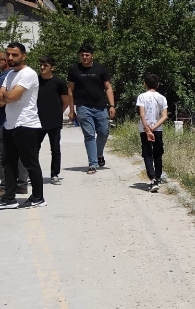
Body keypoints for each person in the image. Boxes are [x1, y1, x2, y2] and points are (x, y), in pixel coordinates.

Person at [0, 42, 45, 209]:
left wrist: (7, 95)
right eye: (8, 54)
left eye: (15, 55)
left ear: (23, 56)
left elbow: (9, 98)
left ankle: (38, 197)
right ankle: (9, 198)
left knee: (29, 162)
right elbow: (2, 99)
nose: (10, 58)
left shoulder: (28, 74)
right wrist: (7, 95)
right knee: (8, 162)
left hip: (26, 124)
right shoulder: (10, 75)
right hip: (10, 124)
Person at [67, 45, 116, 175]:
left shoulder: (100, 69)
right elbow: (70, 91)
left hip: (100, 106)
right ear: (79, 56)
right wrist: (71, 110)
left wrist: (112, 105)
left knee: (104, 132)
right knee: (89, 135)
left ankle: (99, 154)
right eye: (82, 55)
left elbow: (108, 88)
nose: (84, 57)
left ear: (92, 55)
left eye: (87, 55)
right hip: (83, 107)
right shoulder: (74, 70)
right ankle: (92, 164)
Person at [0, 52, 28, 194]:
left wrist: (5, 95)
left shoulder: (8, 76)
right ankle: (20, 184)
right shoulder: (11, 76)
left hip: (6, 121)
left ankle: (6, 187)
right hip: (11, 121)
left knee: (6, 156)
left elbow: (4, 99)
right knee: (17, 155)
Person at [37, 55, 68, 185]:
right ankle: (31, 174)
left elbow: (65, 102)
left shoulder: (59, 83)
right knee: (33, 148)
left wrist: (56, 113)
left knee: (55, 148)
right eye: (41, 65)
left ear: (52, 67)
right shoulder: (35, 81)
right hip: (37, 120)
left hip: (54, 121)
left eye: (46, 65)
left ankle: (54, 174)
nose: (42, 67)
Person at [136, 74, 168, 193]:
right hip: (157, 129)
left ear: (145, 84)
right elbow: (164, 116)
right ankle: (158, 177)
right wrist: (154, 128)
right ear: (158, 85)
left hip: (145, 129)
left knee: (147, 154)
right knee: (158, 153)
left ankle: (153, 179)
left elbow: (142, 114)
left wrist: (147, 129)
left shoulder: (141, 97)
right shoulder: (162, 98)